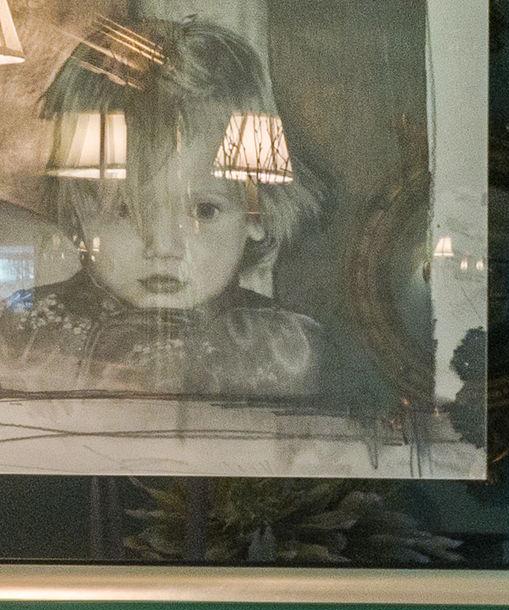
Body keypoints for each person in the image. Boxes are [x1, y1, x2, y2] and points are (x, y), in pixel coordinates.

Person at [0, 17, 326, 399]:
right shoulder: (27, 329)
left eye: (204, 210)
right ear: (78, 213)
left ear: (256, 212)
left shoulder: (281, 346)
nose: (163, 246)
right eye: (125, 210)